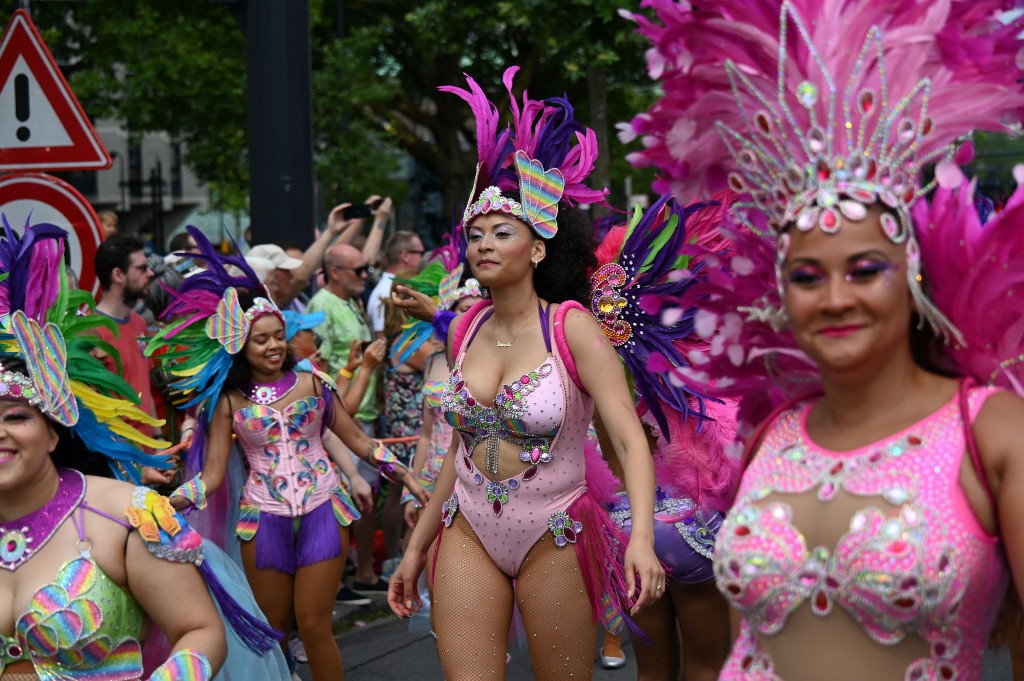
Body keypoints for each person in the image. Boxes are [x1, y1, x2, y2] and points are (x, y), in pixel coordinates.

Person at [626, 2, 1024, 679]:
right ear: (781, 291)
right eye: (807, 276)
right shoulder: (771, 432)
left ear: (913, 272)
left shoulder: (991, 431)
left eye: (865, 269)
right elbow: (744, 641)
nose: (835, 297)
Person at [387, 67, 664, 680]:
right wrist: (413, 548)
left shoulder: (571, 329)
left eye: (501, 232)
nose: (483, 244)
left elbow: (625, 437)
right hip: (466, 525)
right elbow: (461, 449)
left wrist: (640, 537)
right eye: (476, 234)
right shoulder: (462, 329)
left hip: (555, 528)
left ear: (538, 248)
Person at [0, 224, 287, 680]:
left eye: (15, 416)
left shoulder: (128, 518)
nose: (2, 433)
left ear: (53, 432)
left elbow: (198, 630)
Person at [146, 227, 426, 681]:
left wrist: (410, 479)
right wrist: (165, 502)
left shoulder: (313, 383)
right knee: (273, 630)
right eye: (262, 340)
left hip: (322, 510)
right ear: (240, 344)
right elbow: (212, 476)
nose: (275, 346)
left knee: (315, 627)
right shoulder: (229, 401)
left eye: (279, 336)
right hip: (263, 519)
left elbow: (360, 442)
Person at [306, 241, 389, 596]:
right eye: (357, 271)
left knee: (366, 494)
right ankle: (335, 582)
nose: (364, 276)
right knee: (340, 498)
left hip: (364, 414)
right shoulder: (321, 306)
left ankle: (365, 573)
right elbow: (317, 367)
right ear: (335, 272)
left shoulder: (350, 301)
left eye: (366, 269)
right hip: (339, 421)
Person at [93, 233, 175, 485]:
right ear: (118, 275)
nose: (150, 273)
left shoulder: (140, 323)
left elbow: (144, 388)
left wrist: (159, 442)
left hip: (148, 460)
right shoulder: (90, 332)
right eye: (141, 268)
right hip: (115, 467)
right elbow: (92, 413)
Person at [367, 231, 425, 338]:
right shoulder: (384, 291)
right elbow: (382, 339)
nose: (422, 258)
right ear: (405, 255)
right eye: (420, 253)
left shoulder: (388, 287)